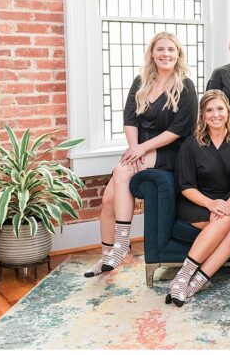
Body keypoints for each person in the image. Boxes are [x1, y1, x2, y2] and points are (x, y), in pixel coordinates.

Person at [86, 32, 198, 277]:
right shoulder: (141, 81)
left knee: (122, 169)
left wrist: (141, 150)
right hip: (140, 148)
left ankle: (122, 243)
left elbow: (179, 129)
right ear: (152, 53)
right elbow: (129, 119)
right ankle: (106, 257)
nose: (165, 54)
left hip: (170, 150)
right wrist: (135, 148)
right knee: (107, 202)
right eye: (160, 49)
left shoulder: (185, 86)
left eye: (171, 50)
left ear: (178, 54)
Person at [166, 90, 230, 307]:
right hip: (197, 202)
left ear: (228, 111)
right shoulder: (192, 144)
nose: (215, 114)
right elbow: (185, 185)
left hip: (228, 202)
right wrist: (210, 204)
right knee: (225, 221)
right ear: (202, 115)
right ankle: (183, 277)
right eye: (209, 110)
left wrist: (229, 204)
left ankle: (195, 283)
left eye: (220, 109)